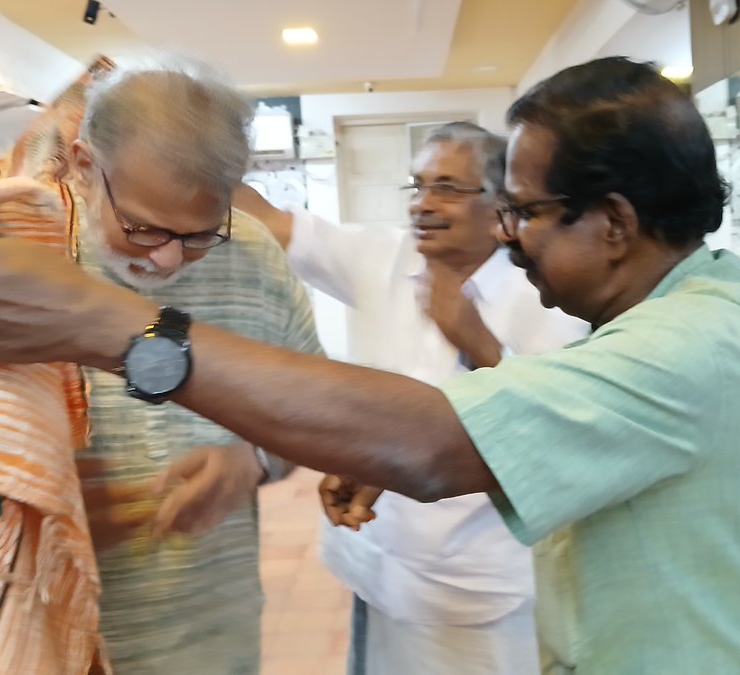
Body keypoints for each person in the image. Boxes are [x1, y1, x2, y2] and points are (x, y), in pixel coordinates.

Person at [0, 57, 740, 674]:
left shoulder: (687, 345)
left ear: (617, 222)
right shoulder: (715, 301)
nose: (510, 235)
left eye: (525, 212)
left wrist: (122, 330)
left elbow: (429, 439)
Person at [0, 59, 324, 674]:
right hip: (51, 639)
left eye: (199, 234)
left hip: (213, 631)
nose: (169, 258)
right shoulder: (10, 257)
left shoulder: (257, 259)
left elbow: (307, 412)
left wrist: (250, 459)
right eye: (144, 229)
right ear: (87, 166)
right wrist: (24, 523)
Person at [235, 122, 587, 675]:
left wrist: (481, 345)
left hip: (476, 593)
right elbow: (268, 219)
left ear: (501, 205)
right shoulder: (386, 257)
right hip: (375, 564)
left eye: (447, 187)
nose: (422, 204)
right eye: (416, 185)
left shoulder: (547, 298)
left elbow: (558, 439)